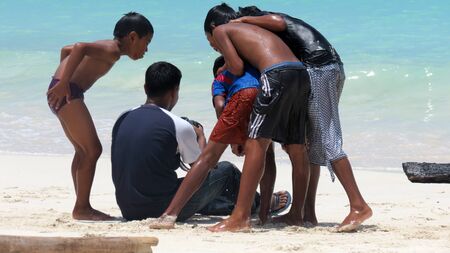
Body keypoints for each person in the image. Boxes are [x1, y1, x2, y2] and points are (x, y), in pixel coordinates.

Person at [151, 3, 311, 232]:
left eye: (210, 42)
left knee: (210, 156)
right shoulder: (255, 34)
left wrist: (225, 66)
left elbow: (235, 69)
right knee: (284, 150)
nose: (215, 47)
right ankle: (281, 214)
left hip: (257, 87)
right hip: (298, 75)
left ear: (213, 28)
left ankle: (173, 213)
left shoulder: (222, 32)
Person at [234, 6, 373, 231]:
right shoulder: (288, 34)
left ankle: (358, 205)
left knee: (329, 140)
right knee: (313, 142)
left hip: (320, 70)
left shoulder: (277, 21)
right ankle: (305, 213)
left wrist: (243, 20)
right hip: (326, 69)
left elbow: (278, 21)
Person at [111, 61, 286, 222]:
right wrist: (201, 137)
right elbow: (203, 169)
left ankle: (226, 205)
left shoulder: (123, 117)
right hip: (161, 207)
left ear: (145, 88)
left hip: (127, 208)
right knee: (226, 171)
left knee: (187, 185)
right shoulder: (177, 124)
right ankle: (263, 202)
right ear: (174, 91)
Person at [46, 12, 153, 221]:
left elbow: (66, 50)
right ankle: (82, 207)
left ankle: (81, 204)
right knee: (93, 150)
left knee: (82, 150)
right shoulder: (111, 50)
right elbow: (79, 47)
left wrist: (60, 79)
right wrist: (64, 83)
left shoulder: (108, 50)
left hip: (66, 92)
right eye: (146, 42)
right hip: (69, 93)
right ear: (132, 37)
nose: (146, 49)